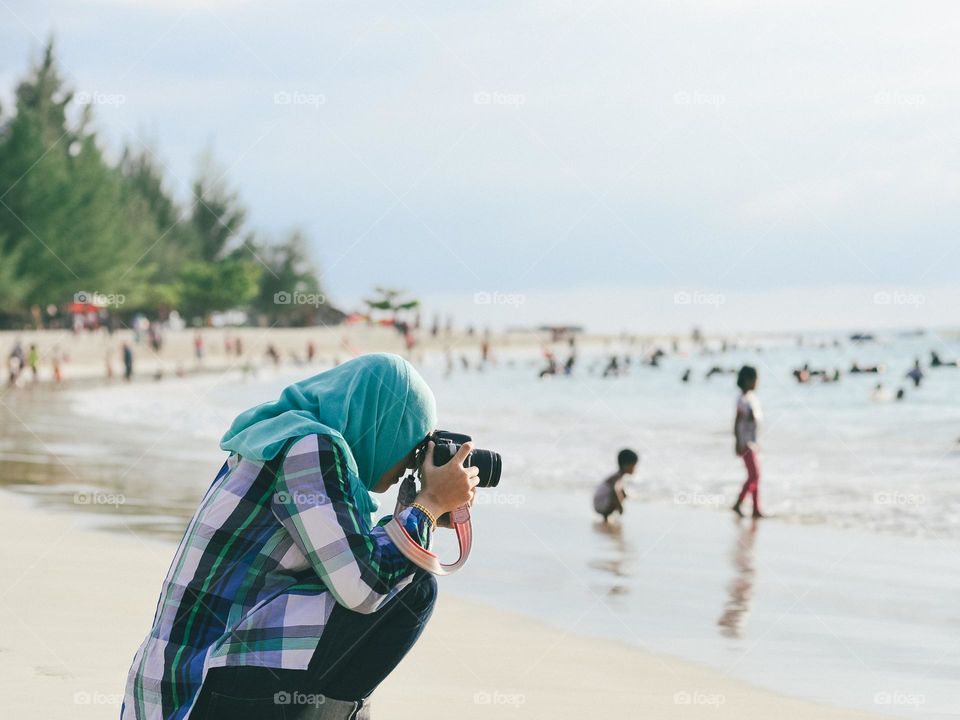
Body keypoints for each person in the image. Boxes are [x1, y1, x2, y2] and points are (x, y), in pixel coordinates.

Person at [121, 354, 479, 720]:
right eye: (413, 444)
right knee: (414, 588)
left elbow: (352, 562)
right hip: (200, 690)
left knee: (399, 574)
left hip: (174, 688)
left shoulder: (279, 439)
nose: (410, 463)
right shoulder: (309, 449)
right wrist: (429, 505)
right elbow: (364, 586)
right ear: (384, 424)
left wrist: (420, 511)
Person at [732, 365, 763, 518]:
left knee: (755, 476)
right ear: (747, 380)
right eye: (756, 379)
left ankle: (756, 509)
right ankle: (738, 503)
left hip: (752, 442)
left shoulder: (751, 398)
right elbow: (737, 422)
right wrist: (738, 442)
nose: (757, 382)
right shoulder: (742, 400)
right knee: (754, 475)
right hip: (745, 443)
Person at [593, 448, 638, 523]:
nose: (635, 469)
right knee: (618, 494)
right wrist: (620, 506)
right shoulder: (617, 477)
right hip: (601, 503)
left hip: (599, 502)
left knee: (623, 494)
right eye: (633, 466)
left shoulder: (617, 476)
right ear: (626, 465)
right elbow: (615, 489)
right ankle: (606, 517)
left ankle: (607, 516)